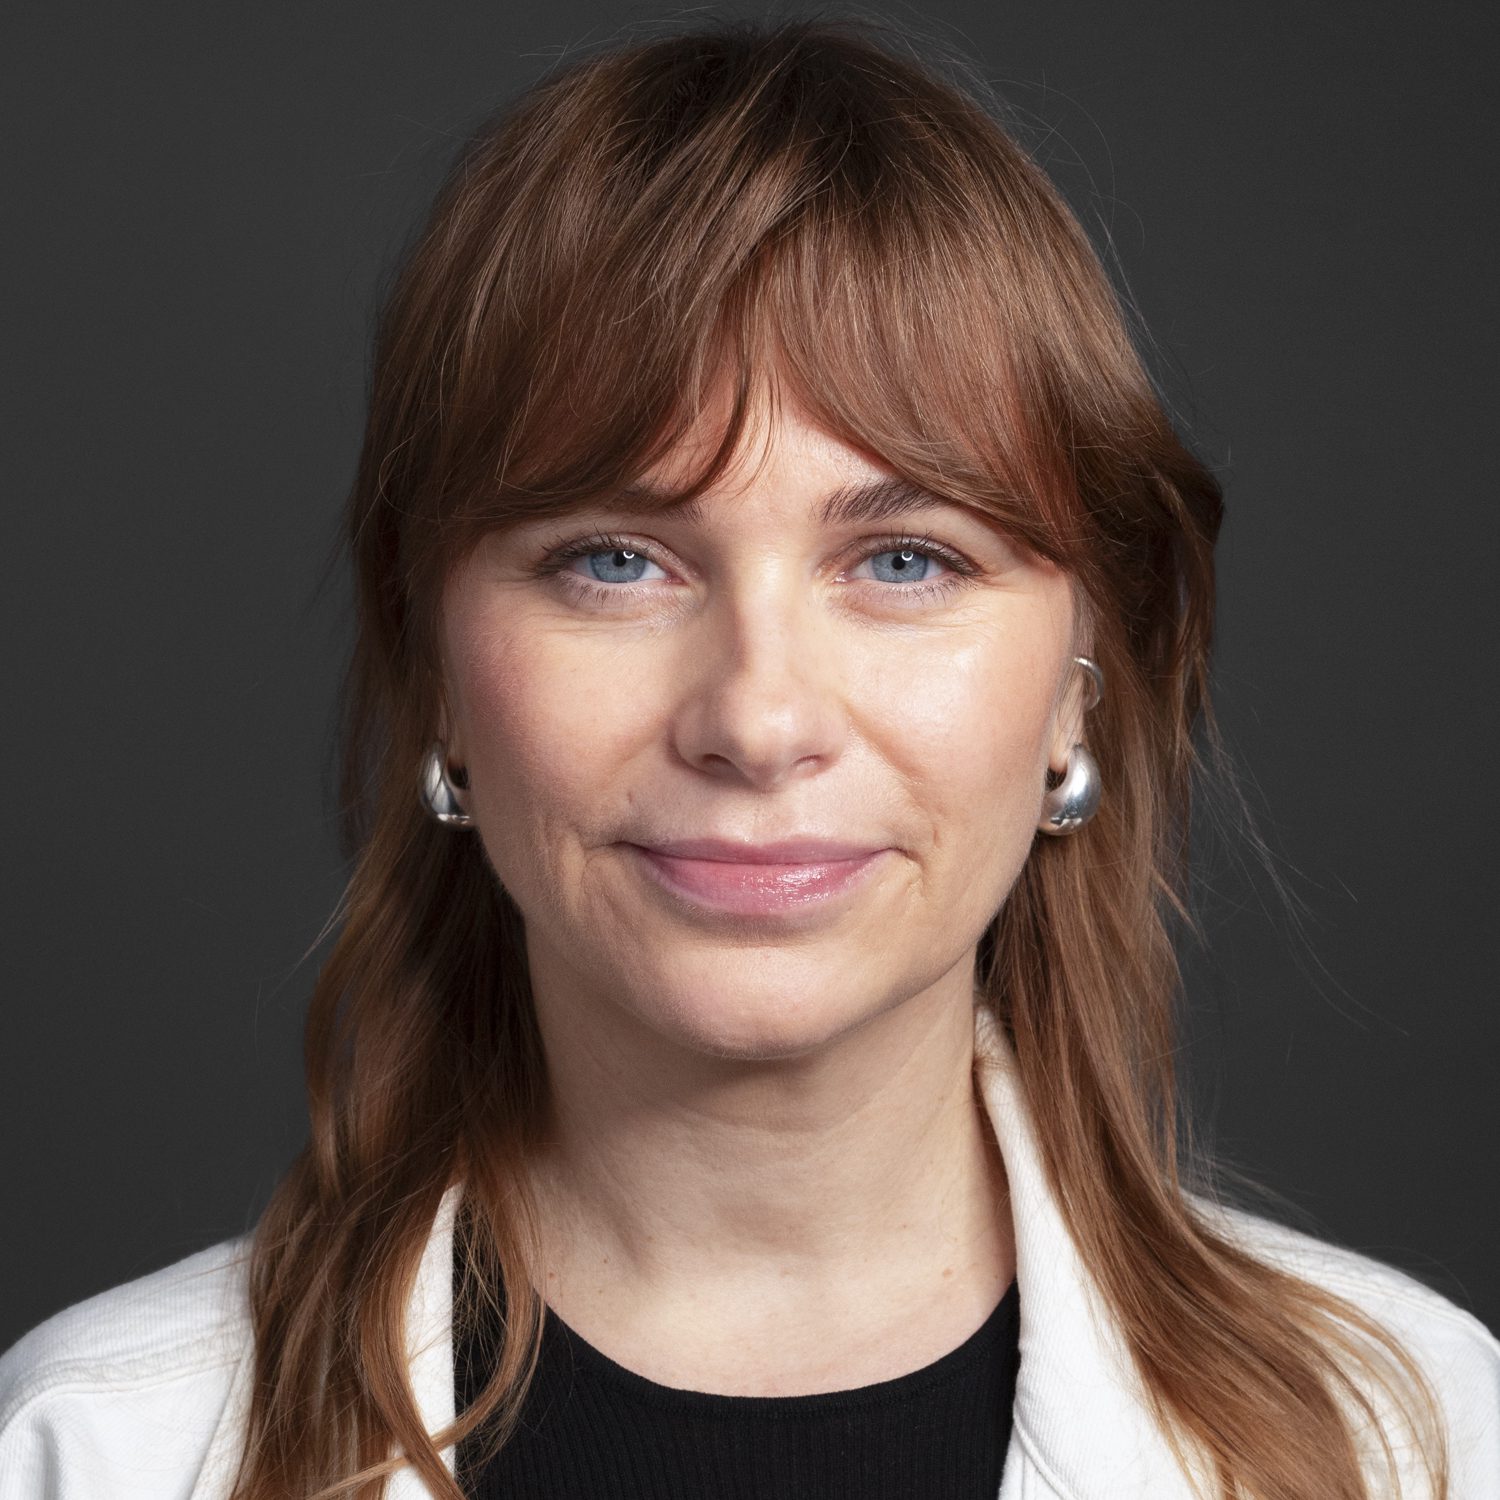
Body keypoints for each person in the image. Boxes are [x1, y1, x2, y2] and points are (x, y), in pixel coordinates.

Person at [1, 16, 1495, 1500]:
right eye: (614, 560)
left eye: (906, 559)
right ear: (435, 669)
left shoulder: (1420, 1439)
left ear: (1077, 693)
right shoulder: (92, 1451)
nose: (760, 722)